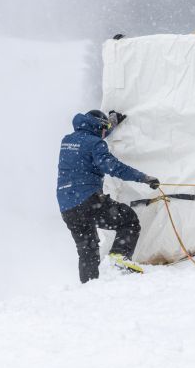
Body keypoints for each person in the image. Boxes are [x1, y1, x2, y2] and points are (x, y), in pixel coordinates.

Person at [57, 110, 160, 281]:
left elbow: (92, 135)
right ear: (99, 127)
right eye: (104, 129)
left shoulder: (68, 140)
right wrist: (143, 178)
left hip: (67, 207)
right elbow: (113, 167)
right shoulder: (95, 143)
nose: (105, 133)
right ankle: (119, 256)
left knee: (87, 249)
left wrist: (110, 123)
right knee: (128, 219)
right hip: (88, 201)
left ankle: (89, 288)